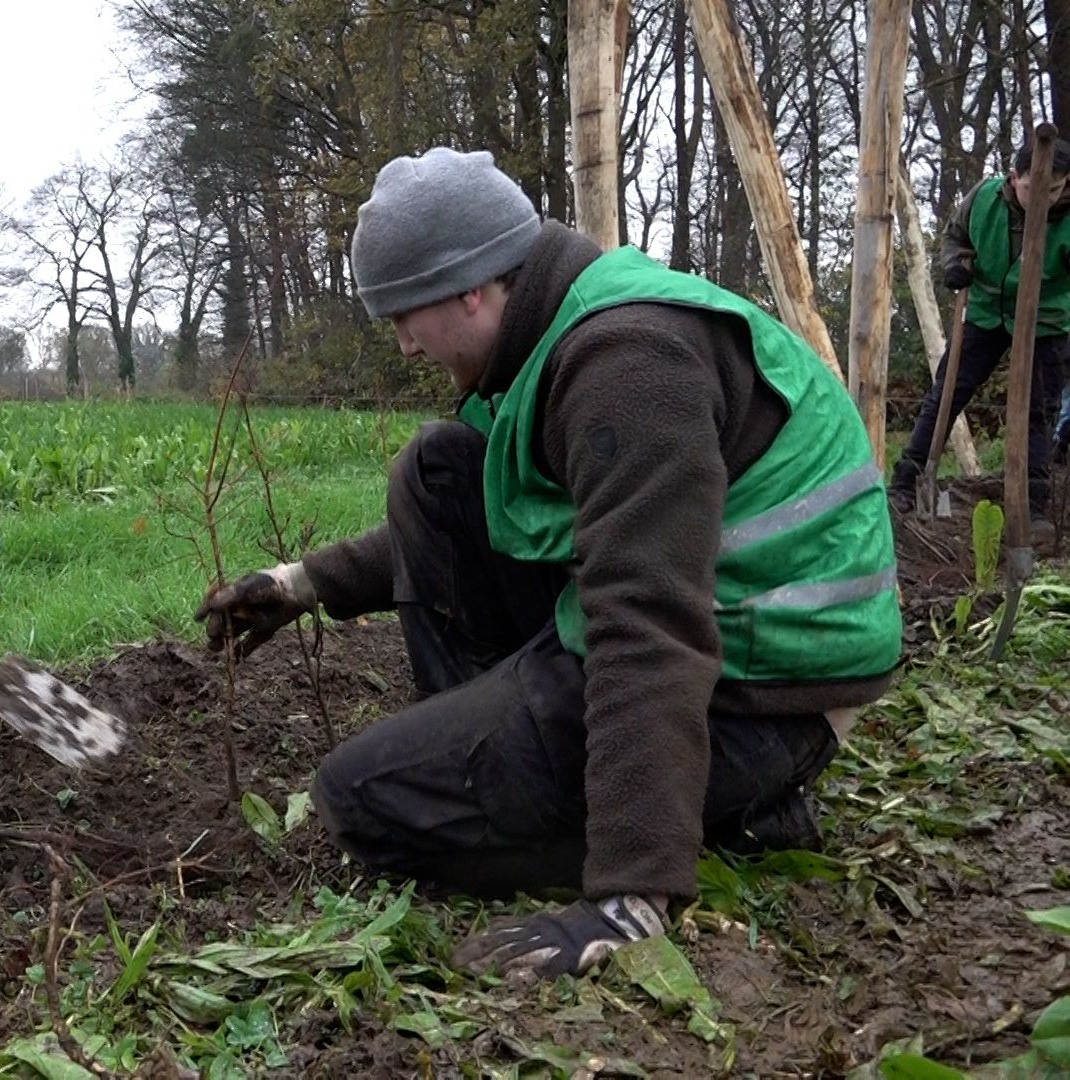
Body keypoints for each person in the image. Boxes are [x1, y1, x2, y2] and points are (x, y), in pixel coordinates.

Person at [196, 148, 902, 981]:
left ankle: (712, 813)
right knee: (440, 470)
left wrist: (630, 896)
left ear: (470, 286)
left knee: (364, 801)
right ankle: (507, 758)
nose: (405, 347)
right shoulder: (567, 330)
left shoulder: (627, 364)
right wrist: (301, 585)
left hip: (760, 698)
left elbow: (648, 621)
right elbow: (508, 518)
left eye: (404, 316)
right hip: (735, 653)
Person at [889, 138, 1070, 517]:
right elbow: (956, 236)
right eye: (1031, 189)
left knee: (1039, 410)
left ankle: (1034, 505)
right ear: (1013, 176)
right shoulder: (984, 198)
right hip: (987, 313)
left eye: (1053, 191)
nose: (1042, 199)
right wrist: (955, 263)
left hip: (1046, 322)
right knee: (946, 395)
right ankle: (907, 482)